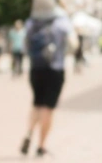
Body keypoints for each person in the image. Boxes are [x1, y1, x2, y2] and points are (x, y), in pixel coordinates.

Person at [20, 13, 73, 157]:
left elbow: (25, 45)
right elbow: (73, 44)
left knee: (37, 103)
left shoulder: (32, 20)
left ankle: (29, 133)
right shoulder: (62, 20)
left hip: (36, 68)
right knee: (48, 108)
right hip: (55, 69)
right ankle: (41, 146)